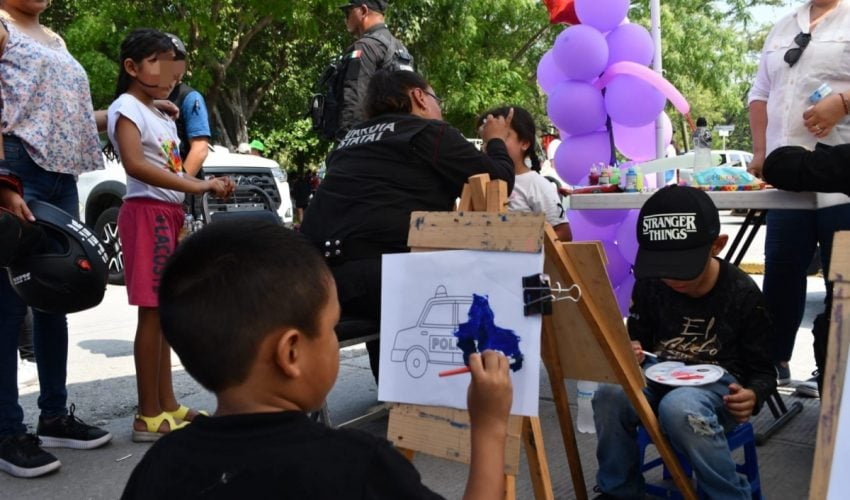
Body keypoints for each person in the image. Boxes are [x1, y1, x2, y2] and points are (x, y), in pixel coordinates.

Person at [121, 218, 513, 500]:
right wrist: (490, 426)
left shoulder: (159, 467)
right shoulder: (356, 466)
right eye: (331, 327)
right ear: (291, 353)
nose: (333, 339)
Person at [300, 69, 514, 382]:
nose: (438, 108)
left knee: (390, 269)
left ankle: (394, 391)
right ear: (418, 97)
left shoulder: (347, 142)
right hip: (389, 282)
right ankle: (452, 395)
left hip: (320, 281)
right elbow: (499, 182)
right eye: (435, 98)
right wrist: (495, 140)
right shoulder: (428, 132)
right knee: (496, 288)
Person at [591, 185, 776, 500]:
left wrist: (753, 395)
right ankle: (618, 491)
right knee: (609, 393)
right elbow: (639, 337)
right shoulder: (652, 284)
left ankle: (729, 495)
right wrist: (631, 348)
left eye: (682, 266)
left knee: (679, 407)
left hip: (718, 389)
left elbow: (763, 370)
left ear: (716, 245)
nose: (671, 277)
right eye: (661, 265)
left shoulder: (742, 294)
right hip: (659, 371)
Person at [0, 0, 112, 478]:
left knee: (55, 297)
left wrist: (131, 110)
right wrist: (2, 182)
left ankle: (54, 415)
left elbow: (66, 115)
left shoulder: (54, 37)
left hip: (60, 177)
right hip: (17, 170)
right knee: (6, 306)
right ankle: (6, 432)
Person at [106, 28, 233, 442]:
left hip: (165, 213)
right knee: (152, 312)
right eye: (160, 63)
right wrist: (195, 185)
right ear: (132, 67)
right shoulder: (127, 107)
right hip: (146, 213)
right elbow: (135, 165)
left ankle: (166, 404)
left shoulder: (155, 109)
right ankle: (147, 414)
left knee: (163, 312)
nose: (171, 74)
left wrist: (157, 104)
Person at [747, 0, 850, 396]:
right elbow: (760, 93)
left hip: (840, 181)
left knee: (841, 285)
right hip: (787, 183)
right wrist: (760, 153)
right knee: (781, 276)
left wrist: (841, 103)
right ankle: (772, 368)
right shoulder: (783, 26)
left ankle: (832, 373)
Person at [477, 106, 571, 242]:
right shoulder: (480, 181)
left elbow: (563, 233)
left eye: (501, 136)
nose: (491, 143)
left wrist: (522, 241)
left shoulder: (537, 185)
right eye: (487, 138)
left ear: (525, 143)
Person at [336, 0, 412, 139]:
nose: (345, 18)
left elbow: (355, 101)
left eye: (348, 12)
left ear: (363, 11)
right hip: (399, 137)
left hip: (368, 143)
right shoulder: (401, 49)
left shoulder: (365, 47)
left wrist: (347, 141)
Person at [164, 33, 210, 177]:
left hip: (178, 190)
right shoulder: (148, 99)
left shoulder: (189, 97)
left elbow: (200, 149)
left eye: (178, 60)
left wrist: (179, 185)